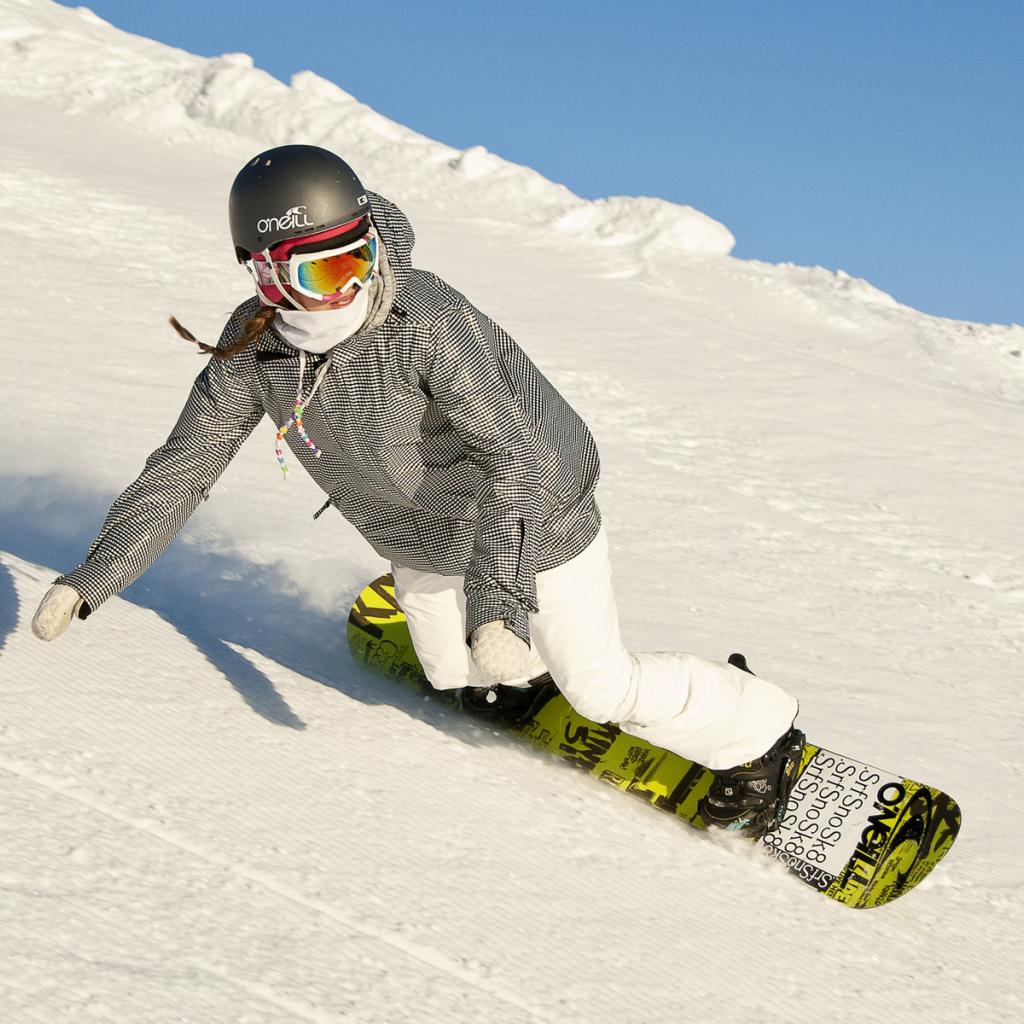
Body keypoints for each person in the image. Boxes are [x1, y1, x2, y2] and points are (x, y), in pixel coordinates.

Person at [31, 144, 804, 837]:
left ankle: (758, 729)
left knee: (601, 689)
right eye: (323, 273)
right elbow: (183, 469)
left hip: (537, 513)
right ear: (266, 275)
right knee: (448, 673)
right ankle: (518, 673)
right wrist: (92, 578)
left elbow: (517, 459)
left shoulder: (422, 319)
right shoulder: (254, 348)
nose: (352, 287)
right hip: (420, 532)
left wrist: (498, 606)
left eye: (358, 258)